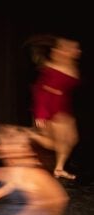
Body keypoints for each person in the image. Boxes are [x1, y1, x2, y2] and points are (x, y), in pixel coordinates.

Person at [26, 34, 81, 179]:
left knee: (72, 139)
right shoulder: (51, 68)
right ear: (61, 51)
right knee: (55, 143)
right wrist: (41, 114)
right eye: (74, 48)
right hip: (50, 108)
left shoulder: (71, 66)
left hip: (63, 108)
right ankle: (28, 135)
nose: (78, 51)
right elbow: (40, 91)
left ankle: (59, 168)